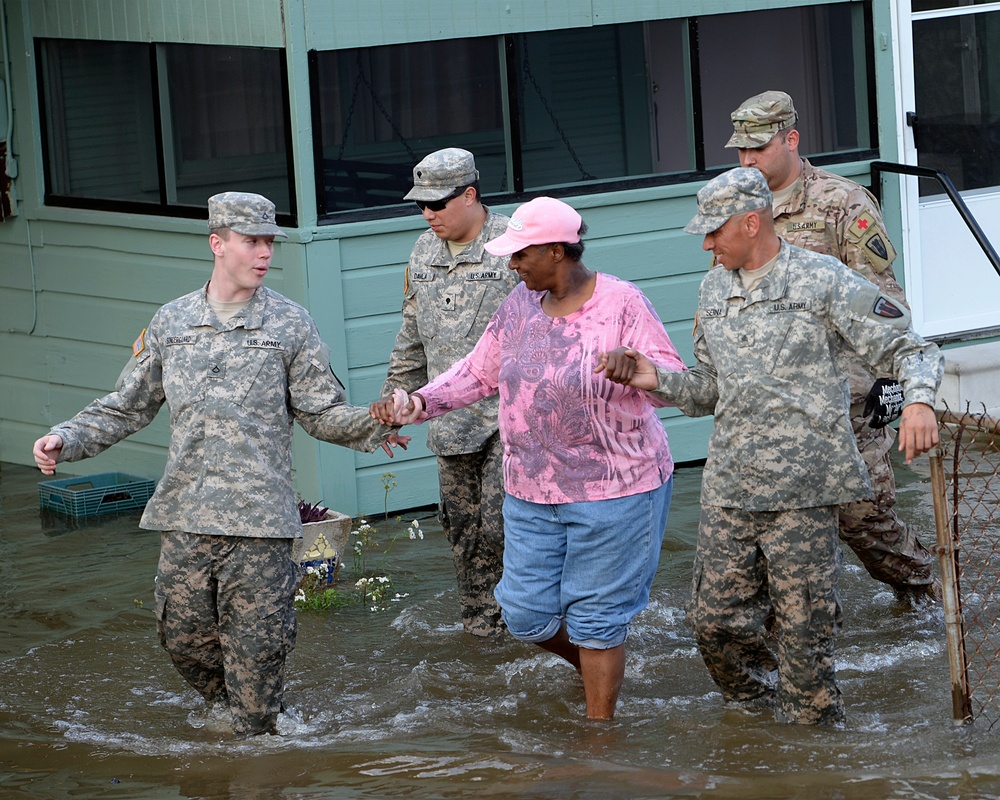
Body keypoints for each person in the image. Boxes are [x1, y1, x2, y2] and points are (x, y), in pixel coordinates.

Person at [32, 192, 402, 739]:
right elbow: (127, 405)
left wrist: (377, 422)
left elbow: (322, 414)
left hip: (259, 524)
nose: (264, 254)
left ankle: (259, 730)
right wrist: (67, 437)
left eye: (269, 242)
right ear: (217, 243)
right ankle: (241, 712)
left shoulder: (290, 325)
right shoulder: (172, 322)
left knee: (256, 667)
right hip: (186, 516)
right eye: (252, 241)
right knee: (182, 640)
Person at [598, 168, 943, 724]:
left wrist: (919, 402)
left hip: (805, 489)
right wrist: (653, 376)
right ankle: (759, 731)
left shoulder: (821, 279)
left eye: (715, 231)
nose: (707, 244)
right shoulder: (714, 287)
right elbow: (710, 388)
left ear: (751, 221)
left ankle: (813, 746)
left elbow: (912, 348)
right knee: (714, 626)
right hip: (732, 486)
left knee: (805, 644)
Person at [371, 196, 685, 719]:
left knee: (598, 619)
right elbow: (476, 372)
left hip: (615, 490)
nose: (512, 265)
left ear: (558, 251)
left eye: (521, 255)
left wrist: (640, 370)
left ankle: (599, 733)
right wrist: (420, 404)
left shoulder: (622, 303)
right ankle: (596, 667)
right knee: (524, 615)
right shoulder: (519, 304)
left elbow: (673, 386)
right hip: (532, 492)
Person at [726, 90, 937, 604]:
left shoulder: (841, 203)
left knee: (862, 521)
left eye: (758, 149)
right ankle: (784, 633)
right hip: (771, 399)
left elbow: (884, 303)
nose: (747, 161)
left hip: (845, 397)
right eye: (741, 151)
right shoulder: (738, 209)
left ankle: (926, 587)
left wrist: (899, 389)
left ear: (791, 139)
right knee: (769, 531)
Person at [381, 148, 518, 637]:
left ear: (470, 194)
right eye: (421, 205)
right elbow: (411, 335)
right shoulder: (422, 251)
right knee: (464, 532)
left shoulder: (512, 245)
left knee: (506, 529)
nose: (427, 214)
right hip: (450, 420)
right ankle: (483, 633)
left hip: (513, 419)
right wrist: (394, 404)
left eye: (437, 204)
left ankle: (539, 624)